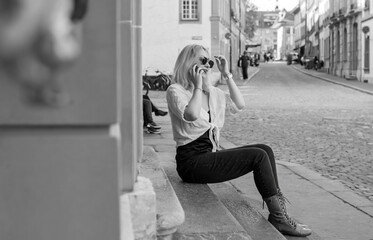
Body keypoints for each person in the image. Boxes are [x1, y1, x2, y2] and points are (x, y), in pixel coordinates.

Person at [166, 44, 312, 237]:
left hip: (208, 157)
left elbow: (239, 104)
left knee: (265, 149)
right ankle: (279, 218)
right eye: (203, 60)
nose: (208, 65)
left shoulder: (212, 93)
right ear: (189, 63)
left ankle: (280, 214)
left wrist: (227, 74)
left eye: (208, 61)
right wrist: (198, 86)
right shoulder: (175, 91)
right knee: (258, 156)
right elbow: (191, 115)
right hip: (191, 164)